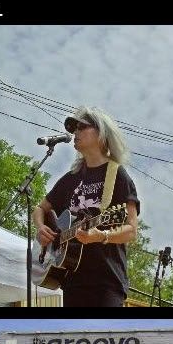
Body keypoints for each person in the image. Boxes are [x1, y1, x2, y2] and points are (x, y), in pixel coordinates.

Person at [32, 107, 141, 308]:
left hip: (106, 282)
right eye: (74, 129)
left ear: (101, 134)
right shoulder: (70, 178)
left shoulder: (117, 175)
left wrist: (102, 236)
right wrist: (41, 228)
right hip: (71, 280)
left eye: (82, 127)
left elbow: (131, 230)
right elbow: (40, 209)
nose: (76, 132)